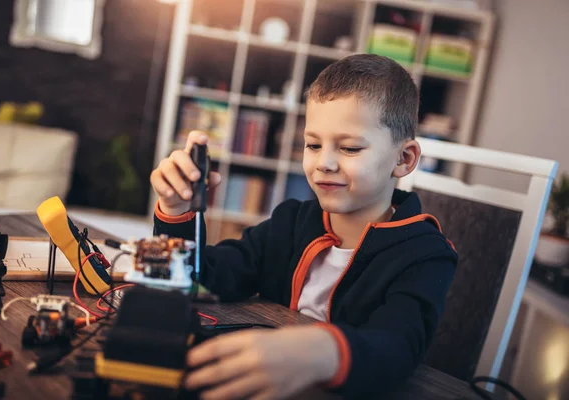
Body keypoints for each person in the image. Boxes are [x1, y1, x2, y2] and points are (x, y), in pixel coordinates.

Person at [149, 54, 458, 399]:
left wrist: (322, 350)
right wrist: (175, 210)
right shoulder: (291, 222)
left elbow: (396, 349)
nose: (323, 163)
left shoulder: (425, 255)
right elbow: (194, 277)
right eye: (312, 144)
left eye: (349, 148)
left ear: (404, 159)